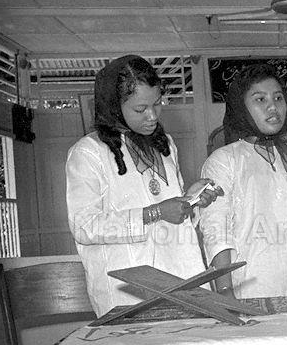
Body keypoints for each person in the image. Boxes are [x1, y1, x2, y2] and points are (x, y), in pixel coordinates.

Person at [66, 55, 220, 316]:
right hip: (127, 292)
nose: (152, 116)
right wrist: (155, 212)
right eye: (140, 109)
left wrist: (192, 202)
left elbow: (169, 211)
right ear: (114, 106)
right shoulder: (89, 152)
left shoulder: (164, 145)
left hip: (180, 275)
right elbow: (84, 226)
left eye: (157, 103)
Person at [200, 64, 287, 298]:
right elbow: (216, 231)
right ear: (241, 108)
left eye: (278, 98)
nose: (273, 107)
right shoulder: (224, 160)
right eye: (260, 99)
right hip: (250, 289)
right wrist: (224, 293)